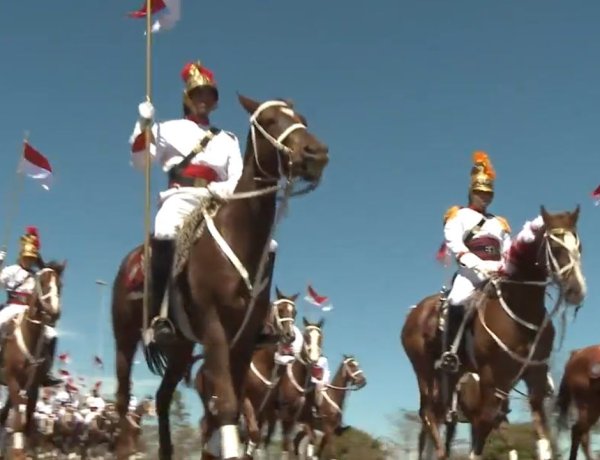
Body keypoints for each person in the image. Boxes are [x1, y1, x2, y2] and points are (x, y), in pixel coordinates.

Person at [437, 151, 511, 373]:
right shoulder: (458, 215)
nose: (484, 197)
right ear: (472, 192)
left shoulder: (499, 222)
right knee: (457, 301)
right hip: (471, 272)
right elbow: (454, 243)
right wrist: (475, 263)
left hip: (497, 271)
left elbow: (508, 249)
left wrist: (503, 267)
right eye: (480, 193)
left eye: (488, 194)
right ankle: (452, 350)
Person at [0, 227, 62, 385]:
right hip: (13, 306)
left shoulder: (37, 276)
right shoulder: (11, 270)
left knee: (52, 334)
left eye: (31, 259)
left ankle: (46, 370)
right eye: (26, 258)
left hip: (29, 310)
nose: (28, 261)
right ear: (21, 256)